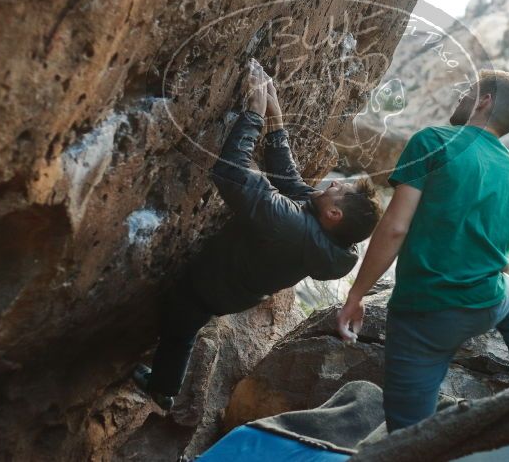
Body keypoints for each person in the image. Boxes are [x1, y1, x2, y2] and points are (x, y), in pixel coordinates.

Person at [133, 59, 383, 411]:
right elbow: (289, 180)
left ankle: (163, 390)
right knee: (186, 324)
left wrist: (252, 113)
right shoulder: (326, 238)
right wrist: (275, 116)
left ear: (334, 214)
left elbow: (232, 171)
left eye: (341, 188)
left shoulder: (291, 225)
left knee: (180, 327)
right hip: (238, 289)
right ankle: (165, 385)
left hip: (210, 284)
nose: (336, 181)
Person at [337, 70, 509, 431]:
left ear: (485, 101)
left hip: (426, 315)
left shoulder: (433, 140)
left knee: (407, 432)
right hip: (490, 301)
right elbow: (507, 249)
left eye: (469, 91)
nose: (461, 96)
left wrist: (356, 295)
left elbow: (395, 227)